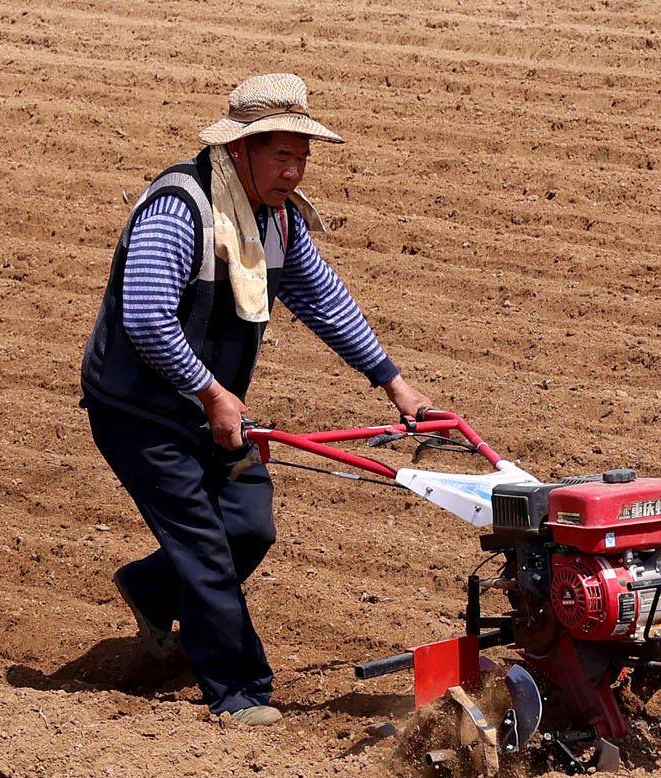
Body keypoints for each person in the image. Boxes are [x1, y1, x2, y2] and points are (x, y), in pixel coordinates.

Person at [78, 74, 439, 722]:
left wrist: (396, 384)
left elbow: (325, 301)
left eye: (302, 157)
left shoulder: (276, 221)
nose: (295, 171)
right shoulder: (181, 208)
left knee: (248, 524)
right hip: (139, 411)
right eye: (282, 156)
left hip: (210, 407)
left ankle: (150, 590)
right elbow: (147, 316)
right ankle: (239, 691)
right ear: (240, 150)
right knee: (205, 546)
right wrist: (212, 393)